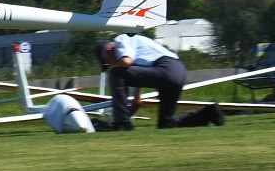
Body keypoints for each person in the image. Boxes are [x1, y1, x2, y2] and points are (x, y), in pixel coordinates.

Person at [95, 34, 225, 130]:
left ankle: (121, 125)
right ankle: (208, 113)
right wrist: (125, 116)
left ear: (107, 50)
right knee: (166, 124)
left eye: (107, 63)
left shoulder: (122, 39)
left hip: (165, 68)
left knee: (116, 73)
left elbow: (126, 62)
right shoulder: (137, 55)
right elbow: (137, 102)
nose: (110, 66)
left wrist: (121, 122)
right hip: (178, 71)